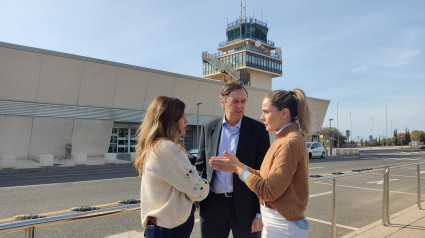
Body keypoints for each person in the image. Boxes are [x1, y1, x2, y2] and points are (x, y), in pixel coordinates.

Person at [209, 89, 312, 238]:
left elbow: (269, 191)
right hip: (278, 222)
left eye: (266, 112)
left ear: (284, 113)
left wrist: (239, 169)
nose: (262, 117)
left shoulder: (290, 142)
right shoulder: (283, 140)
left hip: (283, 225)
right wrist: (239, 166)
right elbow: (264, 177)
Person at [195, 83, 270, 238]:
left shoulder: (258, 130)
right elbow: (200, 166)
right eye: (235, 101)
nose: (240, 106)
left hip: (246, 208)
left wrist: (259, 213)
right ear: (222, 102)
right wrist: (198, 198)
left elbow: (264, 173)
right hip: (212, 205)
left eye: (243, 101)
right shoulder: (209, 128)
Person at [134, 96, 209, 238]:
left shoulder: (153, 147)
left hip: (158, 227)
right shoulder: (169, 149)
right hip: (170, 229)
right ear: (170, 121)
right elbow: (198, 191)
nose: (186, 120)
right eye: (182, 116)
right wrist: (205, 184)